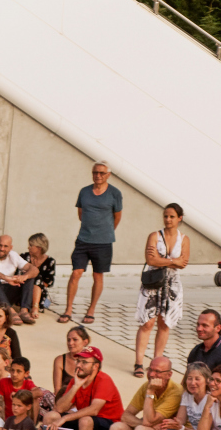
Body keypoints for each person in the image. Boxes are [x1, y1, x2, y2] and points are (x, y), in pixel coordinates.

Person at [33, 347, 123, 430]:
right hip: (85, 422)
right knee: (50, 416)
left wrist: (64, 418)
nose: (79, 365)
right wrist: (75, 386)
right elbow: (59, 408)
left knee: (85, 420)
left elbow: (94, 410)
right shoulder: (76, 380)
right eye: (78, 361)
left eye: (84, 362)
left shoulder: (104, 380)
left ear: (96, 366)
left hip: (110, 426)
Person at [62, 161, 123, 325]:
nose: (98, 175)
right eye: (95, 172)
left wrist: (106, 231)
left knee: (98, 275)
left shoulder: (115, 193)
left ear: (108, 175)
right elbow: (81, 214)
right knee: (76, 273)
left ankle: (91, 310)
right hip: (83, 239)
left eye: (102, 173)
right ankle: (68, 309)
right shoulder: (84, 192)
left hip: (103, 242)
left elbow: (117, 216)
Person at [135, 203, 190, 378]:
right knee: (147, 323)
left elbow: (183, 263)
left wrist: (162, 259)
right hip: (152, 282)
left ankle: (156, 362)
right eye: (166, 216)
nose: (168, 219)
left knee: (164, 323)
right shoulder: (154, 236)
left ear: (179, 218)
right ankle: (138, 362)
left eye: (172, 216)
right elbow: (150, 260)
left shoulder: (184, 239)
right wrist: (172, 260)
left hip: (172, 285)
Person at [112, 355, 180, 430]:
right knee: (116, 428)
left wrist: (150, 392)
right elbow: (125, 415)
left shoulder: (176, 392)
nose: (152, 374)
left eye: (157, 371)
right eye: (150, 369)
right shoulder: (147, 385)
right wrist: (143, 423)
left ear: (169, 375)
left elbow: (148, 421)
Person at [0, 235, 36, 317]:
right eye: (0, 245)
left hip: (7, 294)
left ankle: (24, 310)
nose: (2, 249)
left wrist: (24, 277)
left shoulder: (14, 255)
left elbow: (34, 269)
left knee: (29, 277)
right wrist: (5, 277)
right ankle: (9, 311)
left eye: (5, 246)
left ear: (10, 248)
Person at [22, 233, 55, 323]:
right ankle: (34, 307)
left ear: (39, 248)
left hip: (40, 292)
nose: (28, 247)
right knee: (34, 274)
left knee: (36, 276)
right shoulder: (24, 257)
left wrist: (35, 284)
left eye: (31, 245)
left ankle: (35, 306)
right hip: (23, 288)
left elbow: (48, 282)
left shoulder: (50, 261)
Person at [187, 308, 221, 375]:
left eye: (205, 325)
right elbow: (187, 379)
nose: (199, 329)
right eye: (198, 324)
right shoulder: (196, 351)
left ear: (218, 328)